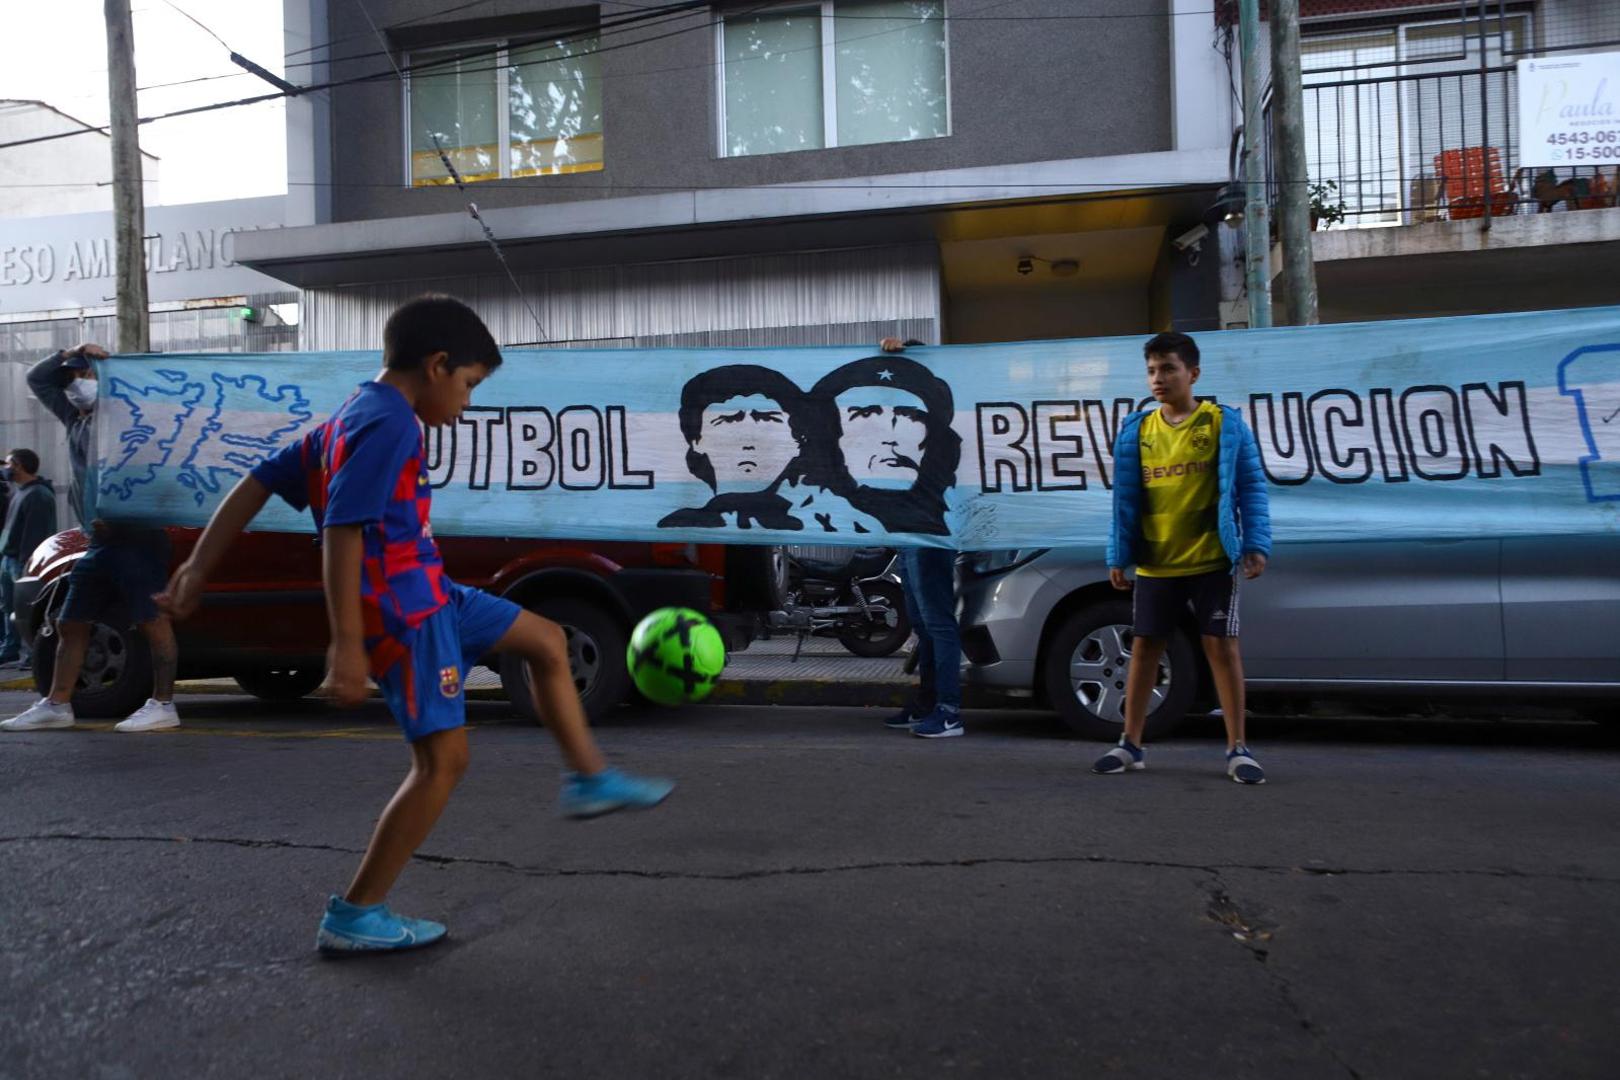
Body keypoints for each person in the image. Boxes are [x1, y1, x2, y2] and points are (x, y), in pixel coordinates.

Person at [156, 294, 674, 954]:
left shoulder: (353, 414)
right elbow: (342, 530)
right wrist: (347, 645)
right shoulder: (390, 424)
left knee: (546, 640)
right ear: (437, 365)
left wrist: (199, 566)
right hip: (405, 613)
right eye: (469, 385)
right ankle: (356, 914)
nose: (467, 403)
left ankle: (589, 779)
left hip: (433, 591)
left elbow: (256, 482)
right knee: (443, 763)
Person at [1094, 331, 1272, 784]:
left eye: (1169, 368)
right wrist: (1119, 554)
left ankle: (1238, 749)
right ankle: (1130, 744)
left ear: (1193, 374)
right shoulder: (1137, 430)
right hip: (1156, 564)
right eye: (1152, 370)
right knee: (1145, 648)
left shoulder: (1223, 424)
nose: (1159, 378)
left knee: (1221, 648)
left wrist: (1255, 544)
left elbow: (1251, 487)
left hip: (1211, 560)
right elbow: (1124, 501)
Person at [2, 347, 181, 733]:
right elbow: (37, 378)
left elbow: (162, 475)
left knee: (152, 620)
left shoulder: (130, 420)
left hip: (138, 538)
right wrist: (73, 352)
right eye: (72, 377)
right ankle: (57, 704)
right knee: (71, 621)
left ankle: (164, 704)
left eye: (86, 375)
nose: (76, 383)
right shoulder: (73, 419)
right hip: (98, 543)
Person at [870, 338, 964, 739]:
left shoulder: (940, 434)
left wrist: (911, 349)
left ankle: (949, 710)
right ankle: (928, 702)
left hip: (931, 532)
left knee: (938, 622)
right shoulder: (902, 430)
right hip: (910, 533)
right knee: (923, 623)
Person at [1, 449, 57, 670]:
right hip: (10, 559)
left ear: (18, 465)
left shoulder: (38, 495)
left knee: (27, 610)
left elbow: (35, 535)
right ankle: (10, 650)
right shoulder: (21, 492)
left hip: (22, 562)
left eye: (8, 464)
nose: (5, 469)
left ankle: (32, 654)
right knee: (9, 607)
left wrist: (27, 565)